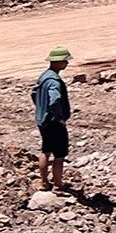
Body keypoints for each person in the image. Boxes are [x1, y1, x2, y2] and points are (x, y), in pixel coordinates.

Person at [33, 47, 73, 191]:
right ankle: (58, 185)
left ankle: (44, 182)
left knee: (46, 150)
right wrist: (60, 118)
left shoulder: (44, 76)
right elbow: (55, 100)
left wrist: (40, 109)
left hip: (42, 120)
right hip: (53, 122)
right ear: (57, 62)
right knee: (59, 155)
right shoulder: (54, 81)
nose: (67, 63)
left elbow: (33, 93)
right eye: (64, 61)